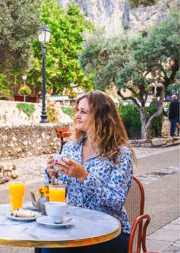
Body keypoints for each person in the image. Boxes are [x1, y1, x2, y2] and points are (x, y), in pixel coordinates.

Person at [43, 91, 135, 252]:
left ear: (102, 117)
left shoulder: (120, 154)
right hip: (73, 227)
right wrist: (52, 176)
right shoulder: (70, 148)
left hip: (109, 231)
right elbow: (56, 197)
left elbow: (116, 201)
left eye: (84, 112)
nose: (77, 115)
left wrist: (83, 176)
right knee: (46, 246)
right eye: (77, 110)